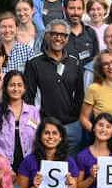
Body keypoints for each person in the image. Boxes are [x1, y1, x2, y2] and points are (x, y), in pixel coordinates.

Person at [23, 19, 85, 151]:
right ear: (46, 36)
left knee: (71, 168)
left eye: (62, 35)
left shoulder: (75, 63)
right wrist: (35, 124)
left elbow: (80, 95)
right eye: (54, 34)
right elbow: (28, 97)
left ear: (67, 39)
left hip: (70, 126)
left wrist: (75, 117)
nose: (58, 38)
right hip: (44, 126)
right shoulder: (34, 63)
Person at [0, 70, 40, 172]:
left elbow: (39, 138)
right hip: (3, 165)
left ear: (24, 88)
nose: (16, 89)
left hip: (29, 165)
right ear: (6, 88)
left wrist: (30, 165)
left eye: (19, 85)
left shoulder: (33, 111)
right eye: (12, 85)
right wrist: (6, 166)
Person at [64, 0, 100, 66]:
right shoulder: (56, 33)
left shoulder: (91, 33)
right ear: (64, 9)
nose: (76, 12)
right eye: (71, 8)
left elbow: (96, 58)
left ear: (83, 10)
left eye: (79, 8)